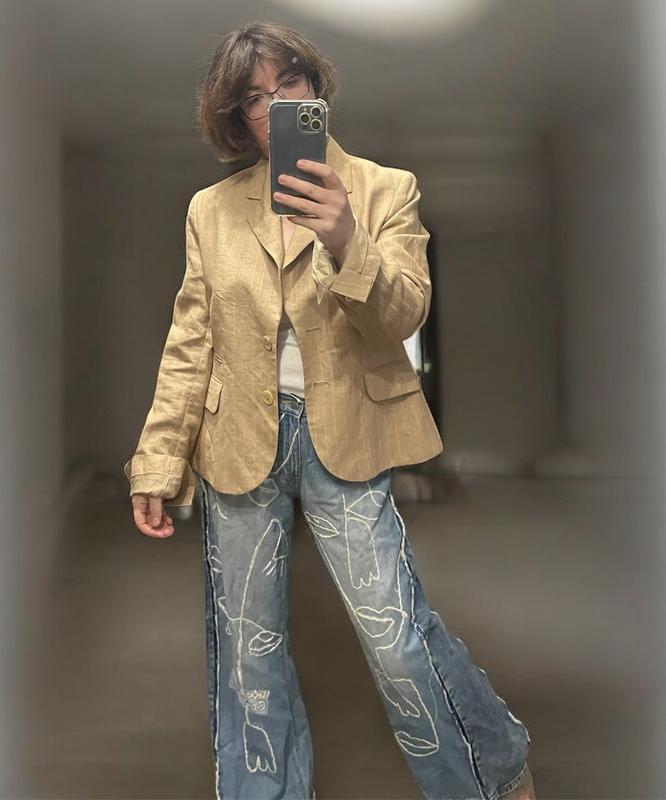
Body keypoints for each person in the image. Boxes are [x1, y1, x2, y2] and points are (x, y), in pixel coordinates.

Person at [123, 21, 536, 800]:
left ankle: (492, 771)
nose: (276, 104)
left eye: (290, 84)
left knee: (396, 639)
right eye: (255, 97)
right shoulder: (211, 211)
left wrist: (347, 237)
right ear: (237, 117)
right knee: (248, 651)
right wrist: (158, 461)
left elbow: (403, 315)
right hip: (237, 439)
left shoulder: (385, 189)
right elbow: (190, 341)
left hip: (344, 430)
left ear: (315, 88)